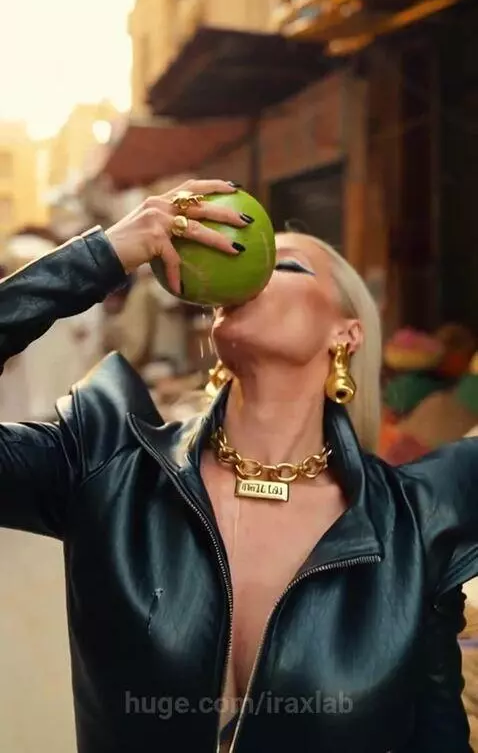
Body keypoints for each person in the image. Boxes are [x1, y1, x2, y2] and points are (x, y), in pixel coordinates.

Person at [0, 177, 477, 753]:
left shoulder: (412, 528)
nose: (247, 263)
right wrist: (100, 257)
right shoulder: (108, 466)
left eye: (286, 264)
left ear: (345, 334)